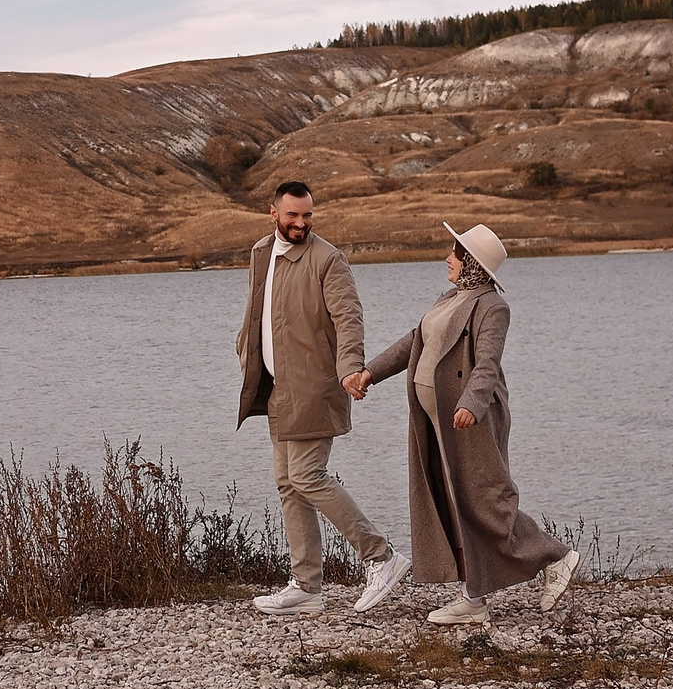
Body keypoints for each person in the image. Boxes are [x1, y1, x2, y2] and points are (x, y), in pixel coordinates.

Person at [350, 222, 578, 625]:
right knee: (453, 500)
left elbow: (487, 364)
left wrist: (471, 403)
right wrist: (370, 373)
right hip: (435, 417)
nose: (447, 259)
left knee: (487, 501)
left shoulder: (492, 306)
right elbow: (413, 340)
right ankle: (472, 597)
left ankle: (556, 557)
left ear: (470, 261)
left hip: (468, 420)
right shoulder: (451, 298)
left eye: (454, 254)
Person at [235, 181, 415, 617]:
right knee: (288, 484)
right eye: (293, 215)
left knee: (307, 475)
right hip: (275, 388)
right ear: (273, 213)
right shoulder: (262, 252)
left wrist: (352, 366)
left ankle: (381, 557)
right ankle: (306, 586)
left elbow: (348, 317)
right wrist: (243, 345)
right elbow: (257, 311)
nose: (301, 223)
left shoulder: (327, 259)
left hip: (316, 385)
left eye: (308, 216)